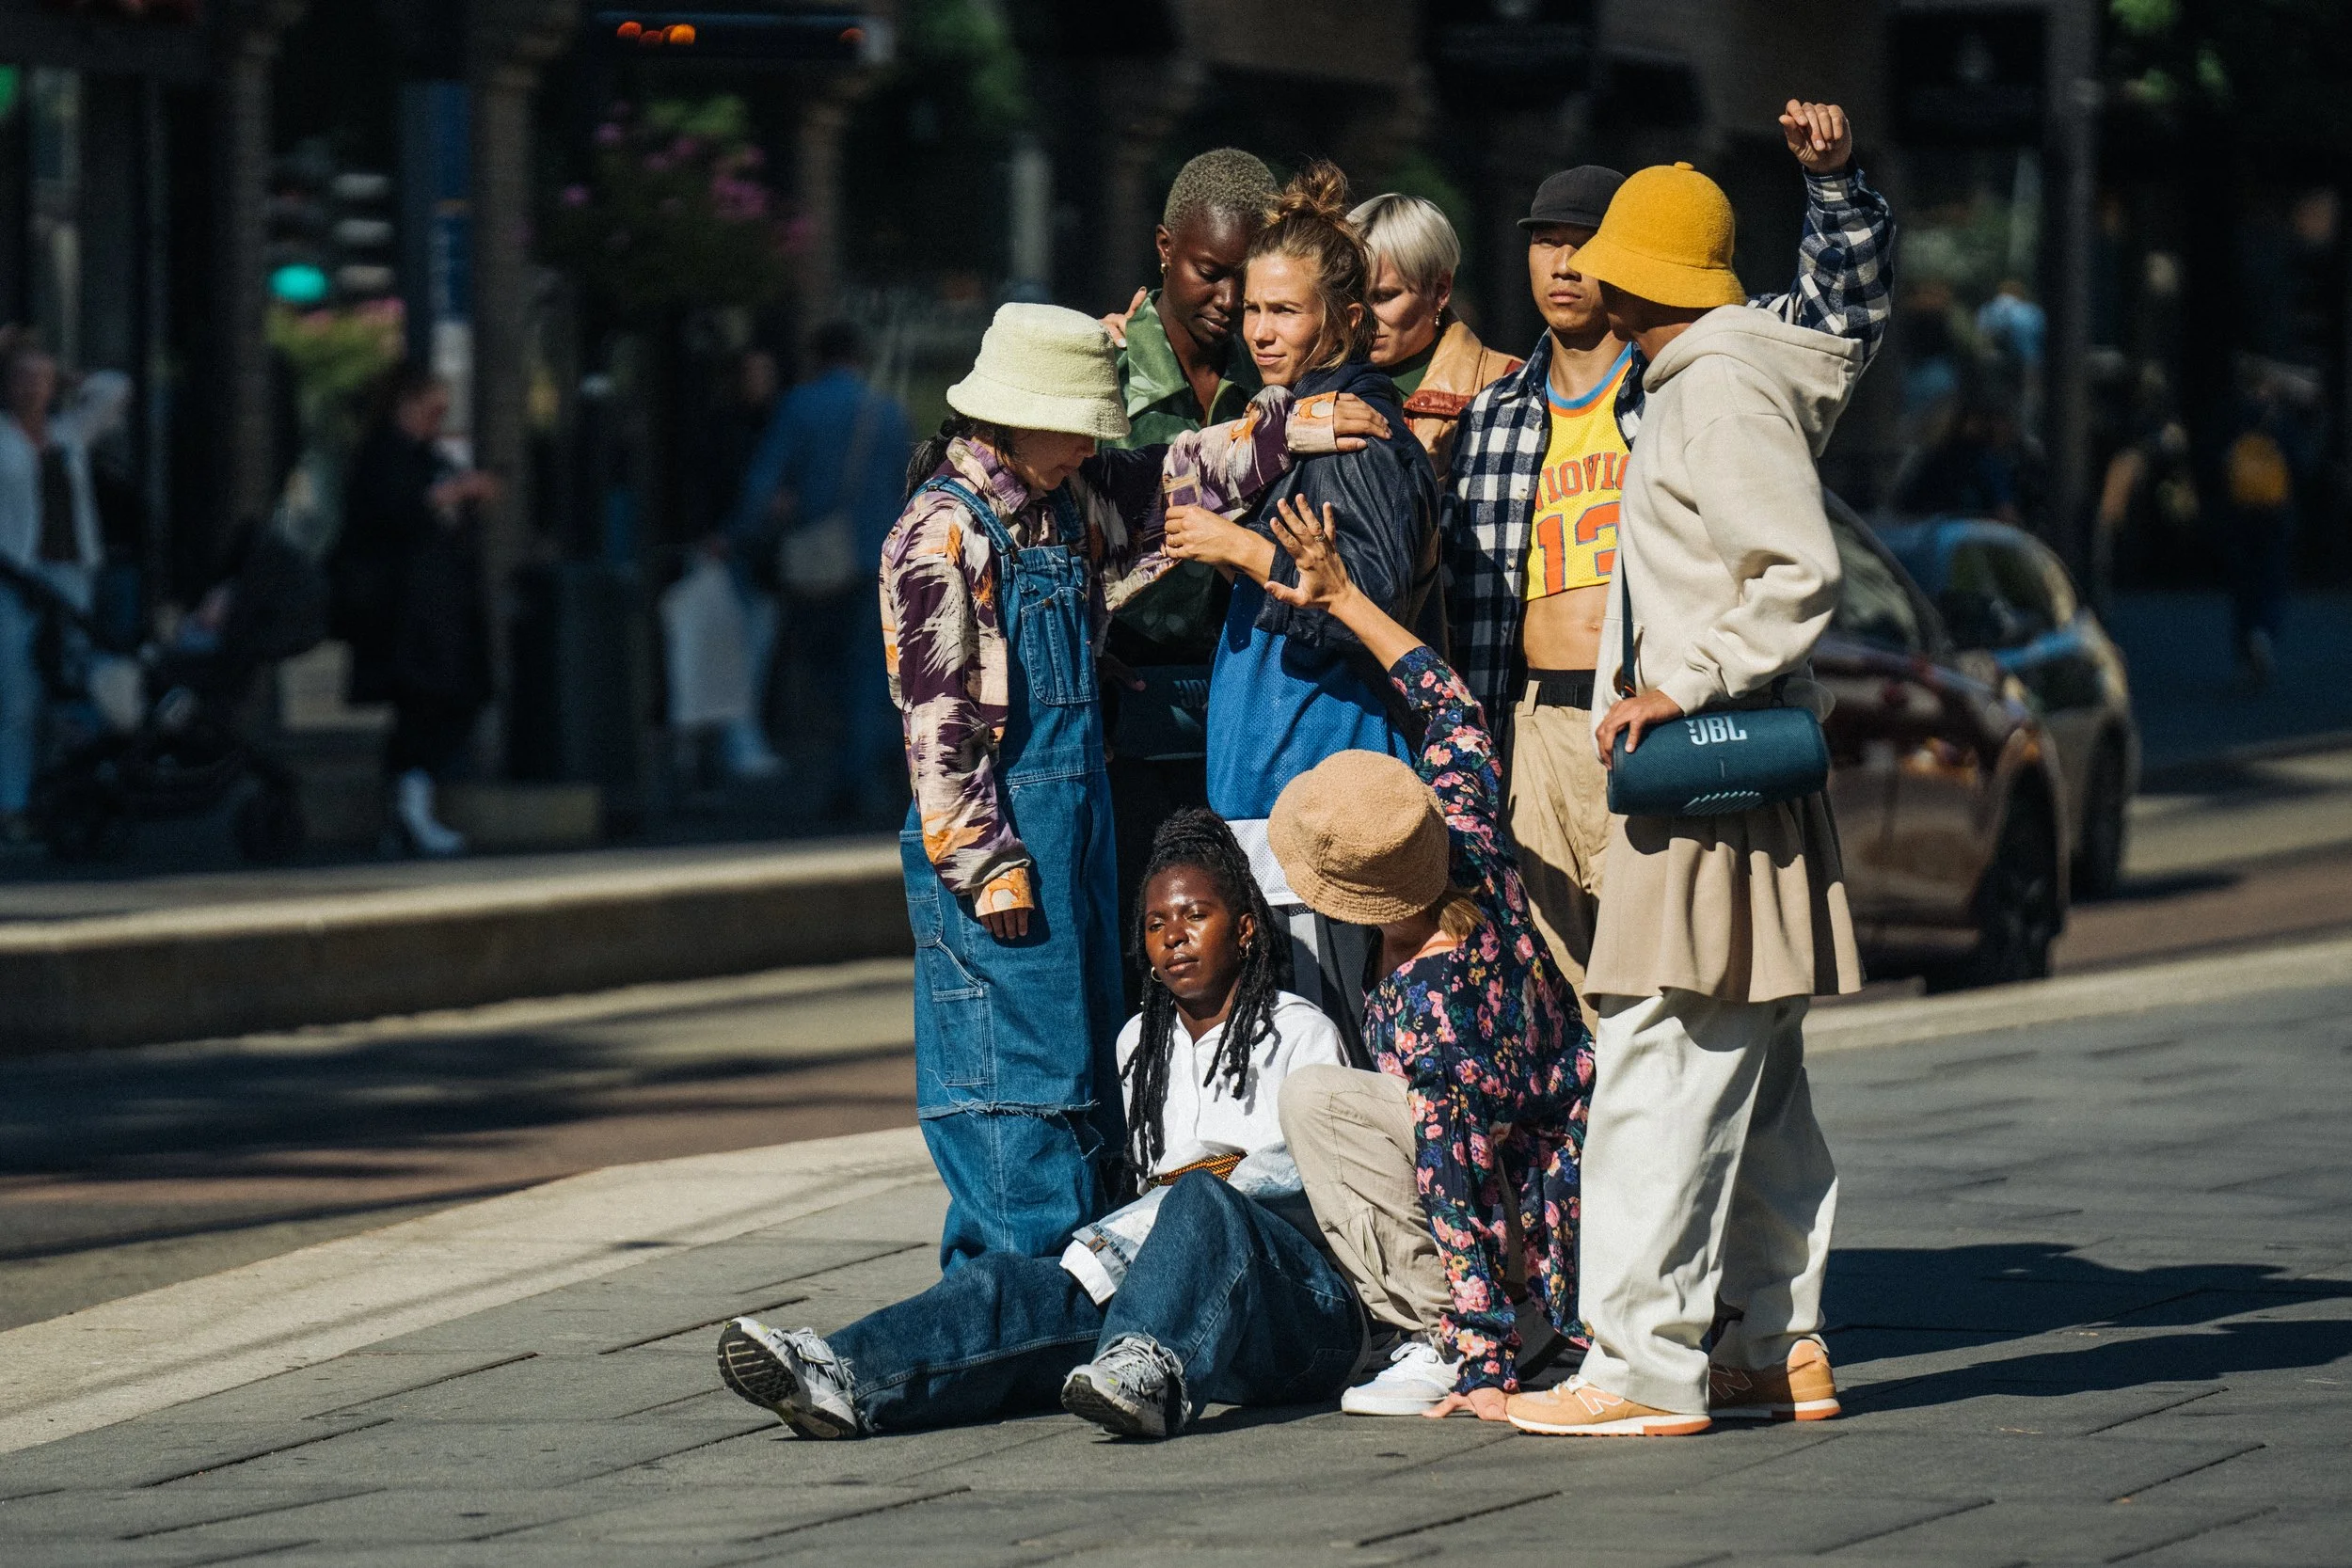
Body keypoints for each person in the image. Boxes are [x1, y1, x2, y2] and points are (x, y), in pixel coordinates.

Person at [886, 302, 1390, 1272]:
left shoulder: (1063, 502)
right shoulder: (941, 533)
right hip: (1001, 862)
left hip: (1070, 845)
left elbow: (1172, 476)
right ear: (1012, 417)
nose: (1088, 447)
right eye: (1075, 427)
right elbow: (940, 726)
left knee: (1073, 1084)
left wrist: (1288, 429)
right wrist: (990, 866)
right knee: (1008, 1092)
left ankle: (1029, 1298)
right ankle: (1015, 1306)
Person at [1502, 162, 1864, 1438]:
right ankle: (1774, 1347)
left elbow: (1797, 570)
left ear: (1637, 268)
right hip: (1726, 781)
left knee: (1657, 1064)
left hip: (1707, 777)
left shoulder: (1713, 392)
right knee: (1757, 1086)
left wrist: (1680, 683)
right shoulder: (1713, 380)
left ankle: (1640, 1364)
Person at [715, 809, 1360, 1441]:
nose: (1174, 936)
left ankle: (1149, 1373)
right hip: (1174, 1301)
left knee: (1200, 1200)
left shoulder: (1300, 1031)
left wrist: (1164, 1211)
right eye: (1157, 922)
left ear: (1245, 928)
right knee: (1008, 1283)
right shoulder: (1139, 1044)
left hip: (1299, 1319)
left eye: (1196, 915)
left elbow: (1309, 1179)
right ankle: (843, 1374)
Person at [1441, 101, 1891, 1008]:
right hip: (1534, 724)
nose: (1566, 263)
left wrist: (1833, 186)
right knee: (1558, 994)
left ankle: (1647, 1149)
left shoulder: (1692, 369)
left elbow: (1833, 323)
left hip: (1663, 715)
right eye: (1545, 241)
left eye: (1586, 241)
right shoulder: (1492, 414)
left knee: (1664, 998)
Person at [1225, 492, 1590, 1423]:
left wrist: (1480, 1366)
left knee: (1317, 1100)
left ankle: (1443, 1332)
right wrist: (1340, 593)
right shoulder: (1462, 832)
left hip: (1526, 1230)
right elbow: (1445, 696)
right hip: (1555, 1153)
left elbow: (1452, 1171)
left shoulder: (1425, 1007)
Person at [1161, 162, 1442, 1051]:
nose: (1260, 332)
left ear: (1346, 319)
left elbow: (1371, 606)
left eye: (1284, 311)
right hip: (1280, 799)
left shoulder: (1356, 431)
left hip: (1331, 798)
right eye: (1252, 309)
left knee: (1337, 1060)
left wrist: (1239, 547)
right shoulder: (1299, 420)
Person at [1097, 148, 1281, 1013]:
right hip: (1125, 723)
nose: (1232, 302)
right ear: (1165, 248)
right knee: (1143, 954)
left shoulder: (1274, 373)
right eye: (1211, 273)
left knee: (1252, 951)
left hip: (1247, 715)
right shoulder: (1099, 375)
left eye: (1249, 279)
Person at [731, 324, 914, 813]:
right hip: (880, 559)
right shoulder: (889, 413)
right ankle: (862, 767)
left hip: (815, 560)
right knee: (869, 670)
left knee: (821, 666)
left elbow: (765, 482)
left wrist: (744, 538)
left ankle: (843, 766)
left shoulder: (799, 407)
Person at [330, 364, 496, 858]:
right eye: (432, 408)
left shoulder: (425, 456)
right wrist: (449, 496)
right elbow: (388, 514)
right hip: (405, 611)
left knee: (441, 702)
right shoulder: (384, 456)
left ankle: (413, 803)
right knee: (422, 703)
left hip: (433, 609)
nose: (438, 419)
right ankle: (410, 805)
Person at [0, 337, 130, 843]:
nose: (35, 389)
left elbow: (117, 390)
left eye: (43, 379)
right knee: (18, 688)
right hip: (17, 575)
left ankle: (65, 792)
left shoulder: (68, 432)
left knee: (75, 681)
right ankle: (12, 800)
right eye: (24, 378)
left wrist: (73, 377)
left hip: (71, 570)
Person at [1347, 192, 1520, 474]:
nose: (1362, 317)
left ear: (1441, 290)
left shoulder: (1510, 386)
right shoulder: (1310, 383)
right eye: (1351, 297)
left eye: (1384, 296)